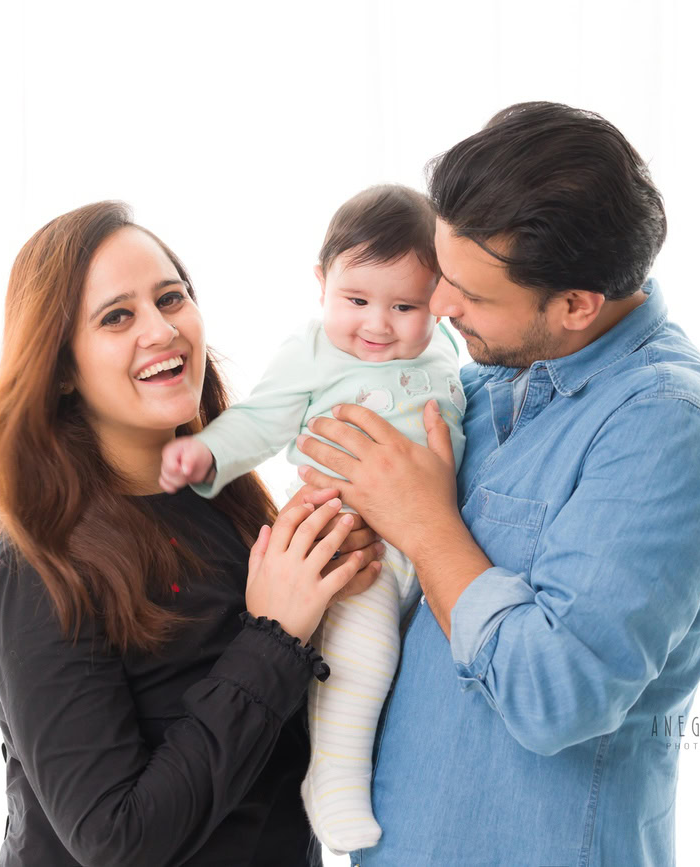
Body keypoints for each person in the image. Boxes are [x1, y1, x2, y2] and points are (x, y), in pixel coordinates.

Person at [294, 102, 700, 866]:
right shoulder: (486, 382)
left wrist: (424, 523)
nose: (438, 306)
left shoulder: (666, 425)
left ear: (576, 305)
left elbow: (556, 695)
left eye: (470, 294)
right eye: (442, 273)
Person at [0, 200, 385, 867]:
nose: (162, 330)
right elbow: (117, 840)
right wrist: (275, 635)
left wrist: (334, 596)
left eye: (171, 298)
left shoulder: (227, 504)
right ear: (63, 367)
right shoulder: (33, 561)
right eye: (117, 316)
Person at [159, 185, 467, 854]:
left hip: (432, 542)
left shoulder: (448, 351)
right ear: (322, 282)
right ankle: (334, 775)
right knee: (365, 653)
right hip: (350, 539)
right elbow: (262, 419)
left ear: (440, 300)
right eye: (355, 301)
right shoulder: (312, 352)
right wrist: (205, 451)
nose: (378, 325)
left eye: (404, 306)